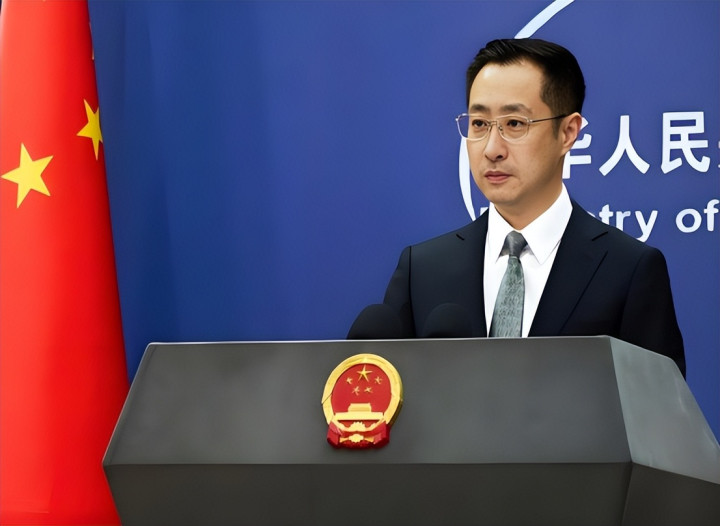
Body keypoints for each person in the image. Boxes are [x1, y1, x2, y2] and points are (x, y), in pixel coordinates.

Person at [351, 38, 685, 376]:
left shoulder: (628, 270)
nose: (492, 149)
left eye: (514, 124)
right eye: (479, 124)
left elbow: (657, 406)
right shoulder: (422, 270)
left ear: (568, 132)